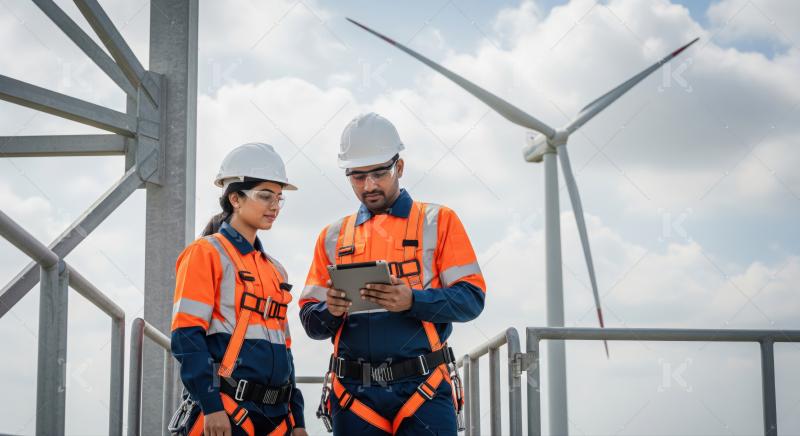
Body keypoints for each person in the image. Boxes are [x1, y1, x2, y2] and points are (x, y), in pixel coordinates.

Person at [299, 113, 486, 435]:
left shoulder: (438, 221)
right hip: (353, 396)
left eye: (379, 173)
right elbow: (310, 323)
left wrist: (413, 301)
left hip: (424, 390)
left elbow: (471, 301)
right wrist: (330, 310)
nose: (369, 185)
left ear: (399, 167)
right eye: (358, 177)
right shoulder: (332, 236)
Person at [170, 143, 306, 436]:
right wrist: (211, 406)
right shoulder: (205, 253)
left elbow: (286, 351)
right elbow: (186, 337)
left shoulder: (276, 270)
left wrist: (298, 421)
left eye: (279, 198)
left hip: (277, 419)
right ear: (235, 199)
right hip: (228, 412)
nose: (274, 206)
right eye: (265, 196)